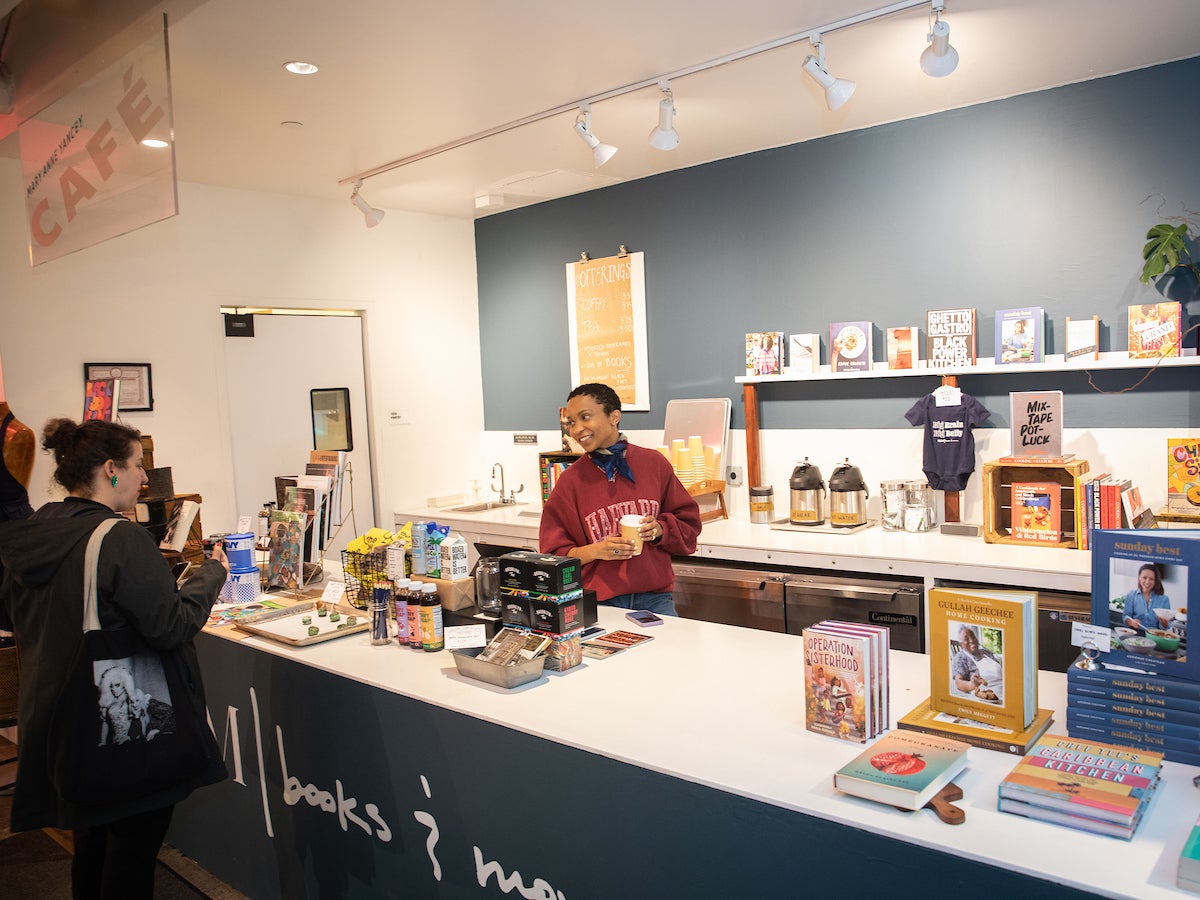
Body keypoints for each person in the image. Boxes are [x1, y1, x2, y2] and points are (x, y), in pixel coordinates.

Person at [0, 418, 230, 899]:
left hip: (61, 723)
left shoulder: (39, 528)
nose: (144, 478)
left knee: (92, 843)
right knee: (131, 854)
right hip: (123, 732)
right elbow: (170, 626)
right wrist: (210, 575)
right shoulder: (118, 539)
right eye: (137, 466)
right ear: (110, 470)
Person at [539, 383, 702, 615]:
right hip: (599, 603)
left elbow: (688, 524)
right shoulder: (570, 482)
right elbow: (553, 556)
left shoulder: (654, 464)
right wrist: (597, 551)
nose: (577, 430)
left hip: (656, 599)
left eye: (585, 417)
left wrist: (659, 529)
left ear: (614, 416)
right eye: (571, 423)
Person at [951, 624, 1003, 697]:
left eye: (973, 637)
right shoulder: (960, 658)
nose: (972, 640)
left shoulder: (986, 652)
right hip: (987, 696)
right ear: (961, 644)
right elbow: (958, 683)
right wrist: (972, 684)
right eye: (966, 639)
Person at [1123, 563, 1172, 630]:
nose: (1147, 581)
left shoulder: (1164, 599)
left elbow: (1167, 626)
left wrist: (1165, 624)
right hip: (1135, 635)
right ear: (1139, 578)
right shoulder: (1131, 596)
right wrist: (1131, 622)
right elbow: (1125, 617)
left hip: (1155, 636)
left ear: (1155, 581)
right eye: (1144, 577)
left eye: (1151, 579)